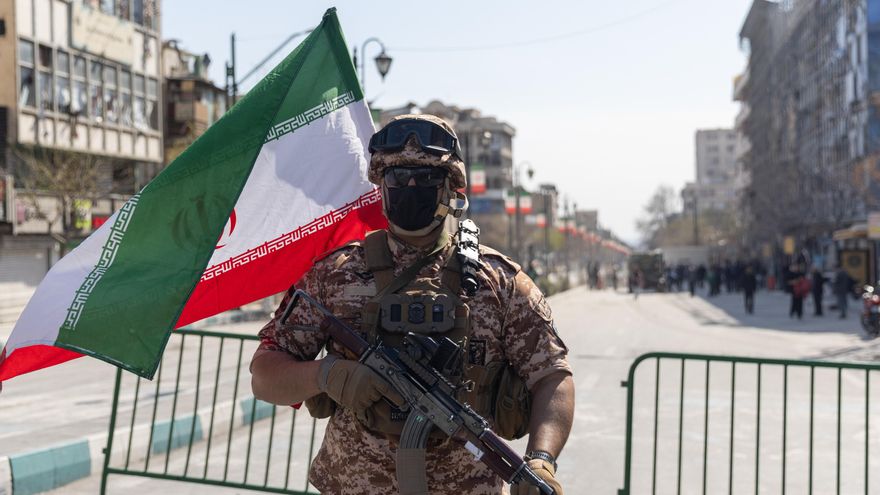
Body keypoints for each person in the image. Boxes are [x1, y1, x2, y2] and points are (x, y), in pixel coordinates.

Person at [249, 114, 574, 495]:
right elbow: (264, 376)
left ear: (450, 189)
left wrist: (541, 459)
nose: (411, 187)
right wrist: (326, 375)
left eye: (427, 178)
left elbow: (552, 376)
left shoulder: (497, 281)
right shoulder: (333, 274)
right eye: (398, 178)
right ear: (381, 188)